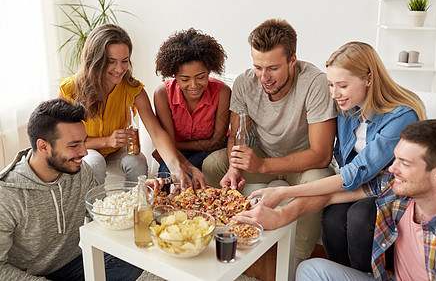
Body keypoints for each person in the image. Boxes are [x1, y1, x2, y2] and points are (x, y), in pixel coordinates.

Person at [243, 41, 426, 272]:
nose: (334, 94)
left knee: (360, 217)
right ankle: (340, 275)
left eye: (342, 85)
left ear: (368, 79)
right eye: (330, 85)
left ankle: (365, 275)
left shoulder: (401, 117)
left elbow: (357, 171)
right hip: (361, 186)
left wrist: (284, 192)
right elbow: (347, 172)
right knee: (332, 217)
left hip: (392, 189)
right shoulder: (348, 110)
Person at [202, 18, 337, 262]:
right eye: (258, 67)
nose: (264, 77)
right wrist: (235, 165)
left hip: (304, 165)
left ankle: (295, 262)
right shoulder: (245, 83)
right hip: (262, 157)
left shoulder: (315, 82)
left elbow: (321, 155)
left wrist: (262, 166)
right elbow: (238, 135)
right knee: (214, 164)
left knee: (319, 178)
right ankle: (224, 237)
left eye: (273, 68)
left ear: (292, 60)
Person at [0, 99, 143, 280]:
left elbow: (103, 216)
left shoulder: (79, 169)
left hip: (75, 263)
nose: (84, 152)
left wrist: (141, 196)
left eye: (84, 142)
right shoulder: (7, 193)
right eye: (74, 145)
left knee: (134, 256)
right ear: (43, 146)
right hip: (29, 275)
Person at [293, 119, 436, 280]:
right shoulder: (396, 186)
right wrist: (283, 203)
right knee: (311, 269)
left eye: (405, 163)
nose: (392, 168)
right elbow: (332, 195)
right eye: (395, 159)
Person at [59, 23, 204, 189]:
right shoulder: (71, 89)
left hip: (115, 152)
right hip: (85, 151)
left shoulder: (133, 89)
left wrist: (176, 168)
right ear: (96, 60)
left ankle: (135, 207)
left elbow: (157, 133)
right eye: (111, 62)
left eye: (125, 61)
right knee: (95, 161)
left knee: (137, 160)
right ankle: (94, 213)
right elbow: (63, 140)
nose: (119, 69)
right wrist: (106, 141)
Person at [153, 28, 231, 173]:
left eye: (200, 77)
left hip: (213, 152)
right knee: (167, 177)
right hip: (178, 152)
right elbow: (168, 144)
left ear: (209, 71)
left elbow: (217, 142)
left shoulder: (223, 93)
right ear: (174, 75)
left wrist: (174, 145)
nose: (194, 85)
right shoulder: (162, 94)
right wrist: (171, 147)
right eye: (185, 79)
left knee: (189, 175)